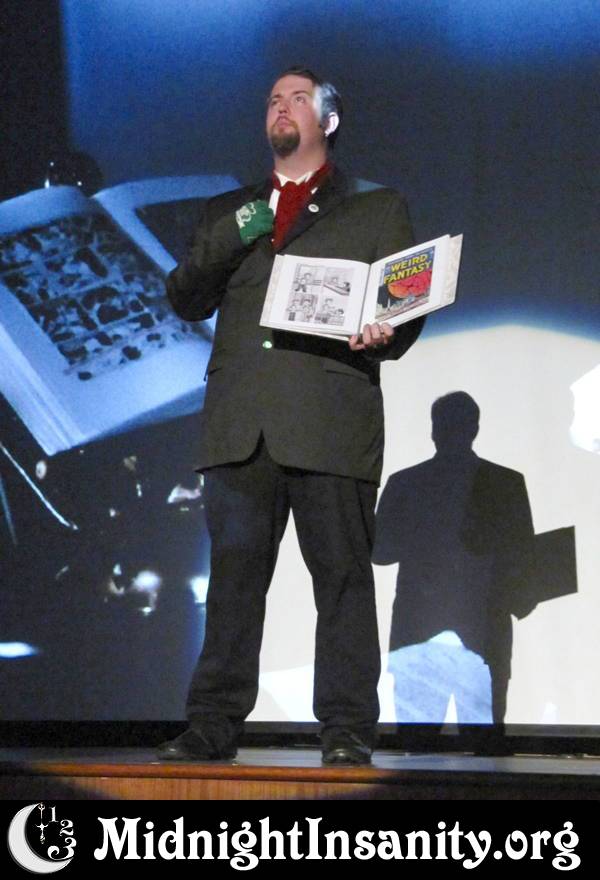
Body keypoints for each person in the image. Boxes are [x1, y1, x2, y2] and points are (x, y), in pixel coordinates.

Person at [158, 66, 424, 765]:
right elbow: (185, 295)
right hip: (241, 425)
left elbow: (403, 308)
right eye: (273, 99)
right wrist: (242, 227)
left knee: (342, 580)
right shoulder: (230, 211)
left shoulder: (375, 206)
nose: (282, 107)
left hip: (330, 421)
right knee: (234, 584)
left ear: (328, 121)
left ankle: (346, 729)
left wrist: (386, 329)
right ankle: (213, 724)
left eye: (298, 98)